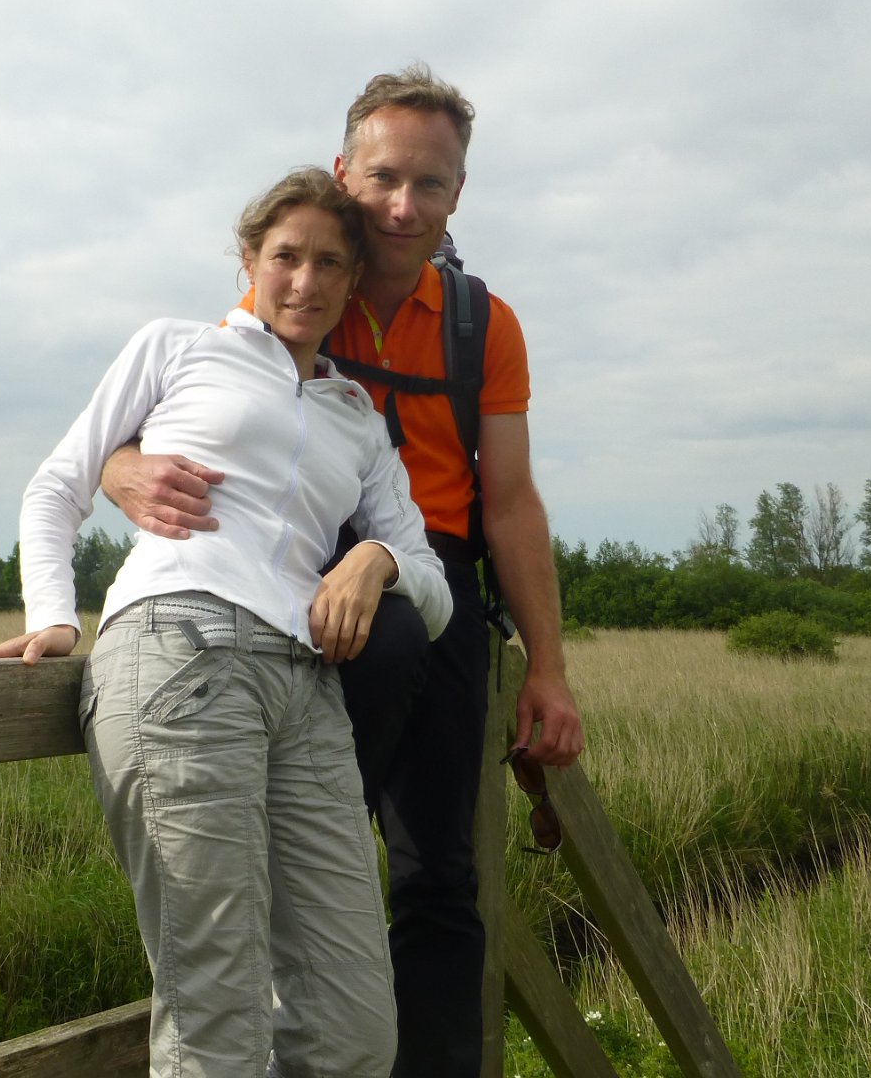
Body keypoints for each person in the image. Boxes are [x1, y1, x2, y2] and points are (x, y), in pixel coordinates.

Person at [100, 65, 585, 1078]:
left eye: (430, 183)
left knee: (440, 872)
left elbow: (508, 501)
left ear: (458, 194)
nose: (403, 206)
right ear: (343, 172)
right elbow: (192, 411)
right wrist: (120, 467)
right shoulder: (303, 283)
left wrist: (546, 667)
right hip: (289, 587)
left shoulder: (482, 325)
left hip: (434, 583)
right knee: (299, 875)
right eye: (383, 177)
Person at [0, 168, 453, 1078]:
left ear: (353, 279)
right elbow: (59, 484)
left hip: (308, 692)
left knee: (355, 1027)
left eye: (329, 263)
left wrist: (374, 559)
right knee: (217, 1018)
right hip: (180, 654)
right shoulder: (179, 348)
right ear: (249, 260)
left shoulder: (357, 416)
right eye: (285, 257)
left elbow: (434, 585)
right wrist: (55, 617)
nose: (305, 282)